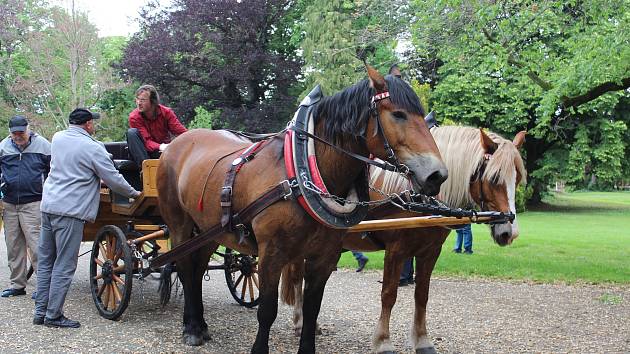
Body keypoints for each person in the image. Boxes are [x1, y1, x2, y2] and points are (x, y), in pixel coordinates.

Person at [34, 108, 141, 328]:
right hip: (70, 211)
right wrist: (135, 193)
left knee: (46, 262)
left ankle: (40, 312)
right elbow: (113, 178)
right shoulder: (93, 147)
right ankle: (53, 316)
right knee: (64, 264)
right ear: (89, 124)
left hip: (49, 206)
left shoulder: (58, 137)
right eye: (93, 123)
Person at [0, 115, 51, 299]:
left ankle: (44, 287)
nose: (18, 136)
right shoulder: (3, 147)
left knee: (37, 246)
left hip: (34, 202)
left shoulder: (43, 145)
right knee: (13, 246)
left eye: (21, 132)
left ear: (28, 129)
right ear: (10, 133)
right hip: (10, 203)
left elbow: (52, 171)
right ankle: (17, 285)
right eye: (15, 133)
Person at [127, 85, 187, 166]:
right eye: (137, 99)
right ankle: (145, 171)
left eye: (143, 100)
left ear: (153, 101)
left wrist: (194, 139)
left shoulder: (166, 112)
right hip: (143, 153)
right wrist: (162, 146)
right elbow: (146, 142)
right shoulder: (134, 117)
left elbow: (181, 132)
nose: (138, 103)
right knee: (131, 133)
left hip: (161, 152)